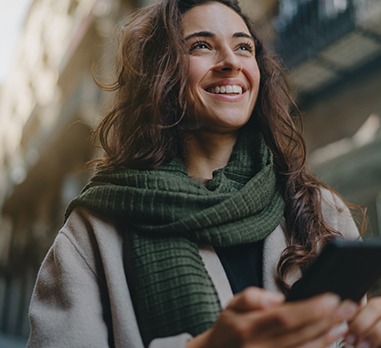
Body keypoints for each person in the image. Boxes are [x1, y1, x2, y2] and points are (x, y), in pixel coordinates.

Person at [27, 0, 381, 347]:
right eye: (201, 46)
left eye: (244, 47)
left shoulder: (317, 207)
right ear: (160, 73)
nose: (230, 61)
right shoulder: (95, 229)